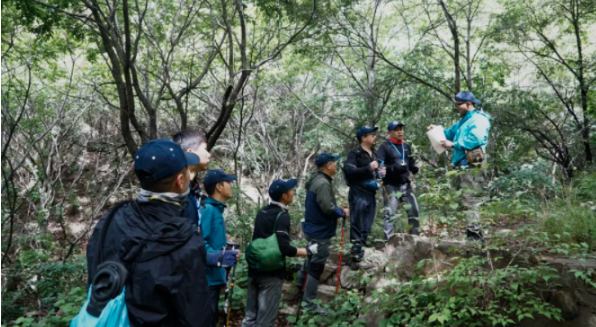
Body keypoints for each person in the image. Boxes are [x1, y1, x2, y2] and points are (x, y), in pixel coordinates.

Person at [85, 139, 213, 326]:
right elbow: (196, 316)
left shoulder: (113, 217)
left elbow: (95, 272)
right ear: (180, 181)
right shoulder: (183, 240)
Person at [242, 179, 313, 327]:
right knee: (265, 321)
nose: (292, 193)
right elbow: (285, 248)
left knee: (249, 318)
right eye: (290, 191)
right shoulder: (282, 216)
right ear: (284, 196)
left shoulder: (262, 212)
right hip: (271, 275)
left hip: (254, 270)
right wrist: (307, 251)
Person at [428, 91, 491, 242]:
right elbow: (449, 133)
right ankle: (472, 234)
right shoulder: (464, 121)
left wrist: (455, 144)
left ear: (469, 104)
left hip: (473, 164)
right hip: (464, 165)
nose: (456, 107)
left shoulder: (478, 119)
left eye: (458, 104)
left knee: (472, 199)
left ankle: (475, 237)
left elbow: (476, 138)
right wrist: (437, 130)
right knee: (466, 200)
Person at [297, 153, 349, 311]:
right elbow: (327, 207)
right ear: (328, 166)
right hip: (320, 230)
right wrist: (341, 213)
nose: (335, 165)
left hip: (313, 228)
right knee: (317, 264)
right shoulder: (322, 183)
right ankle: (309, 303)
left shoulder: (317, 180)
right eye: (333, 162)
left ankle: (300, 283)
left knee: (312, 256)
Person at [200, 169, 239, 327]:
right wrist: (219, 258)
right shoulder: (208, 209)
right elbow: (201, 242)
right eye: (228, 182)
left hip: (213, 277)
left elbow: (213, 243)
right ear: (219, 187)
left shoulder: (216, 210)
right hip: (206, 280)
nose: (231, 185)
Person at [343, 127, 385, 270]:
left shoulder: (374, 154)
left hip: (370, 193)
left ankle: (361, 253)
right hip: (358, 192)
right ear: (363, 138)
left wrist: (381, 174)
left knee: (367, 225)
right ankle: (356, 258)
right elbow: (349, 171)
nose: (375, 137)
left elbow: (376, 173)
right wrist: (369, 168)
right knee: (357, 224)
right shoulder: (355, 153)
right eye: (371, 135)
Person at [377, 121, 421, 238]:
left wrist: (413, 168)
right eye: (396, 130)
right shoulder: (384, 147)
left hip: (406, 185)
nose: (400, 131)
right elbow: (379, 166)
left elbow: (410, 163)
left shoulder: (406, 147)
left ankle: (415, 239)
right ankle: (389, 242)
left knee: (414, 212)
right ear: (390, 132)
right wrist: (393, 168)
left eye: (401, 129)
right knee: (390, 214)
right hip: (391, 185)